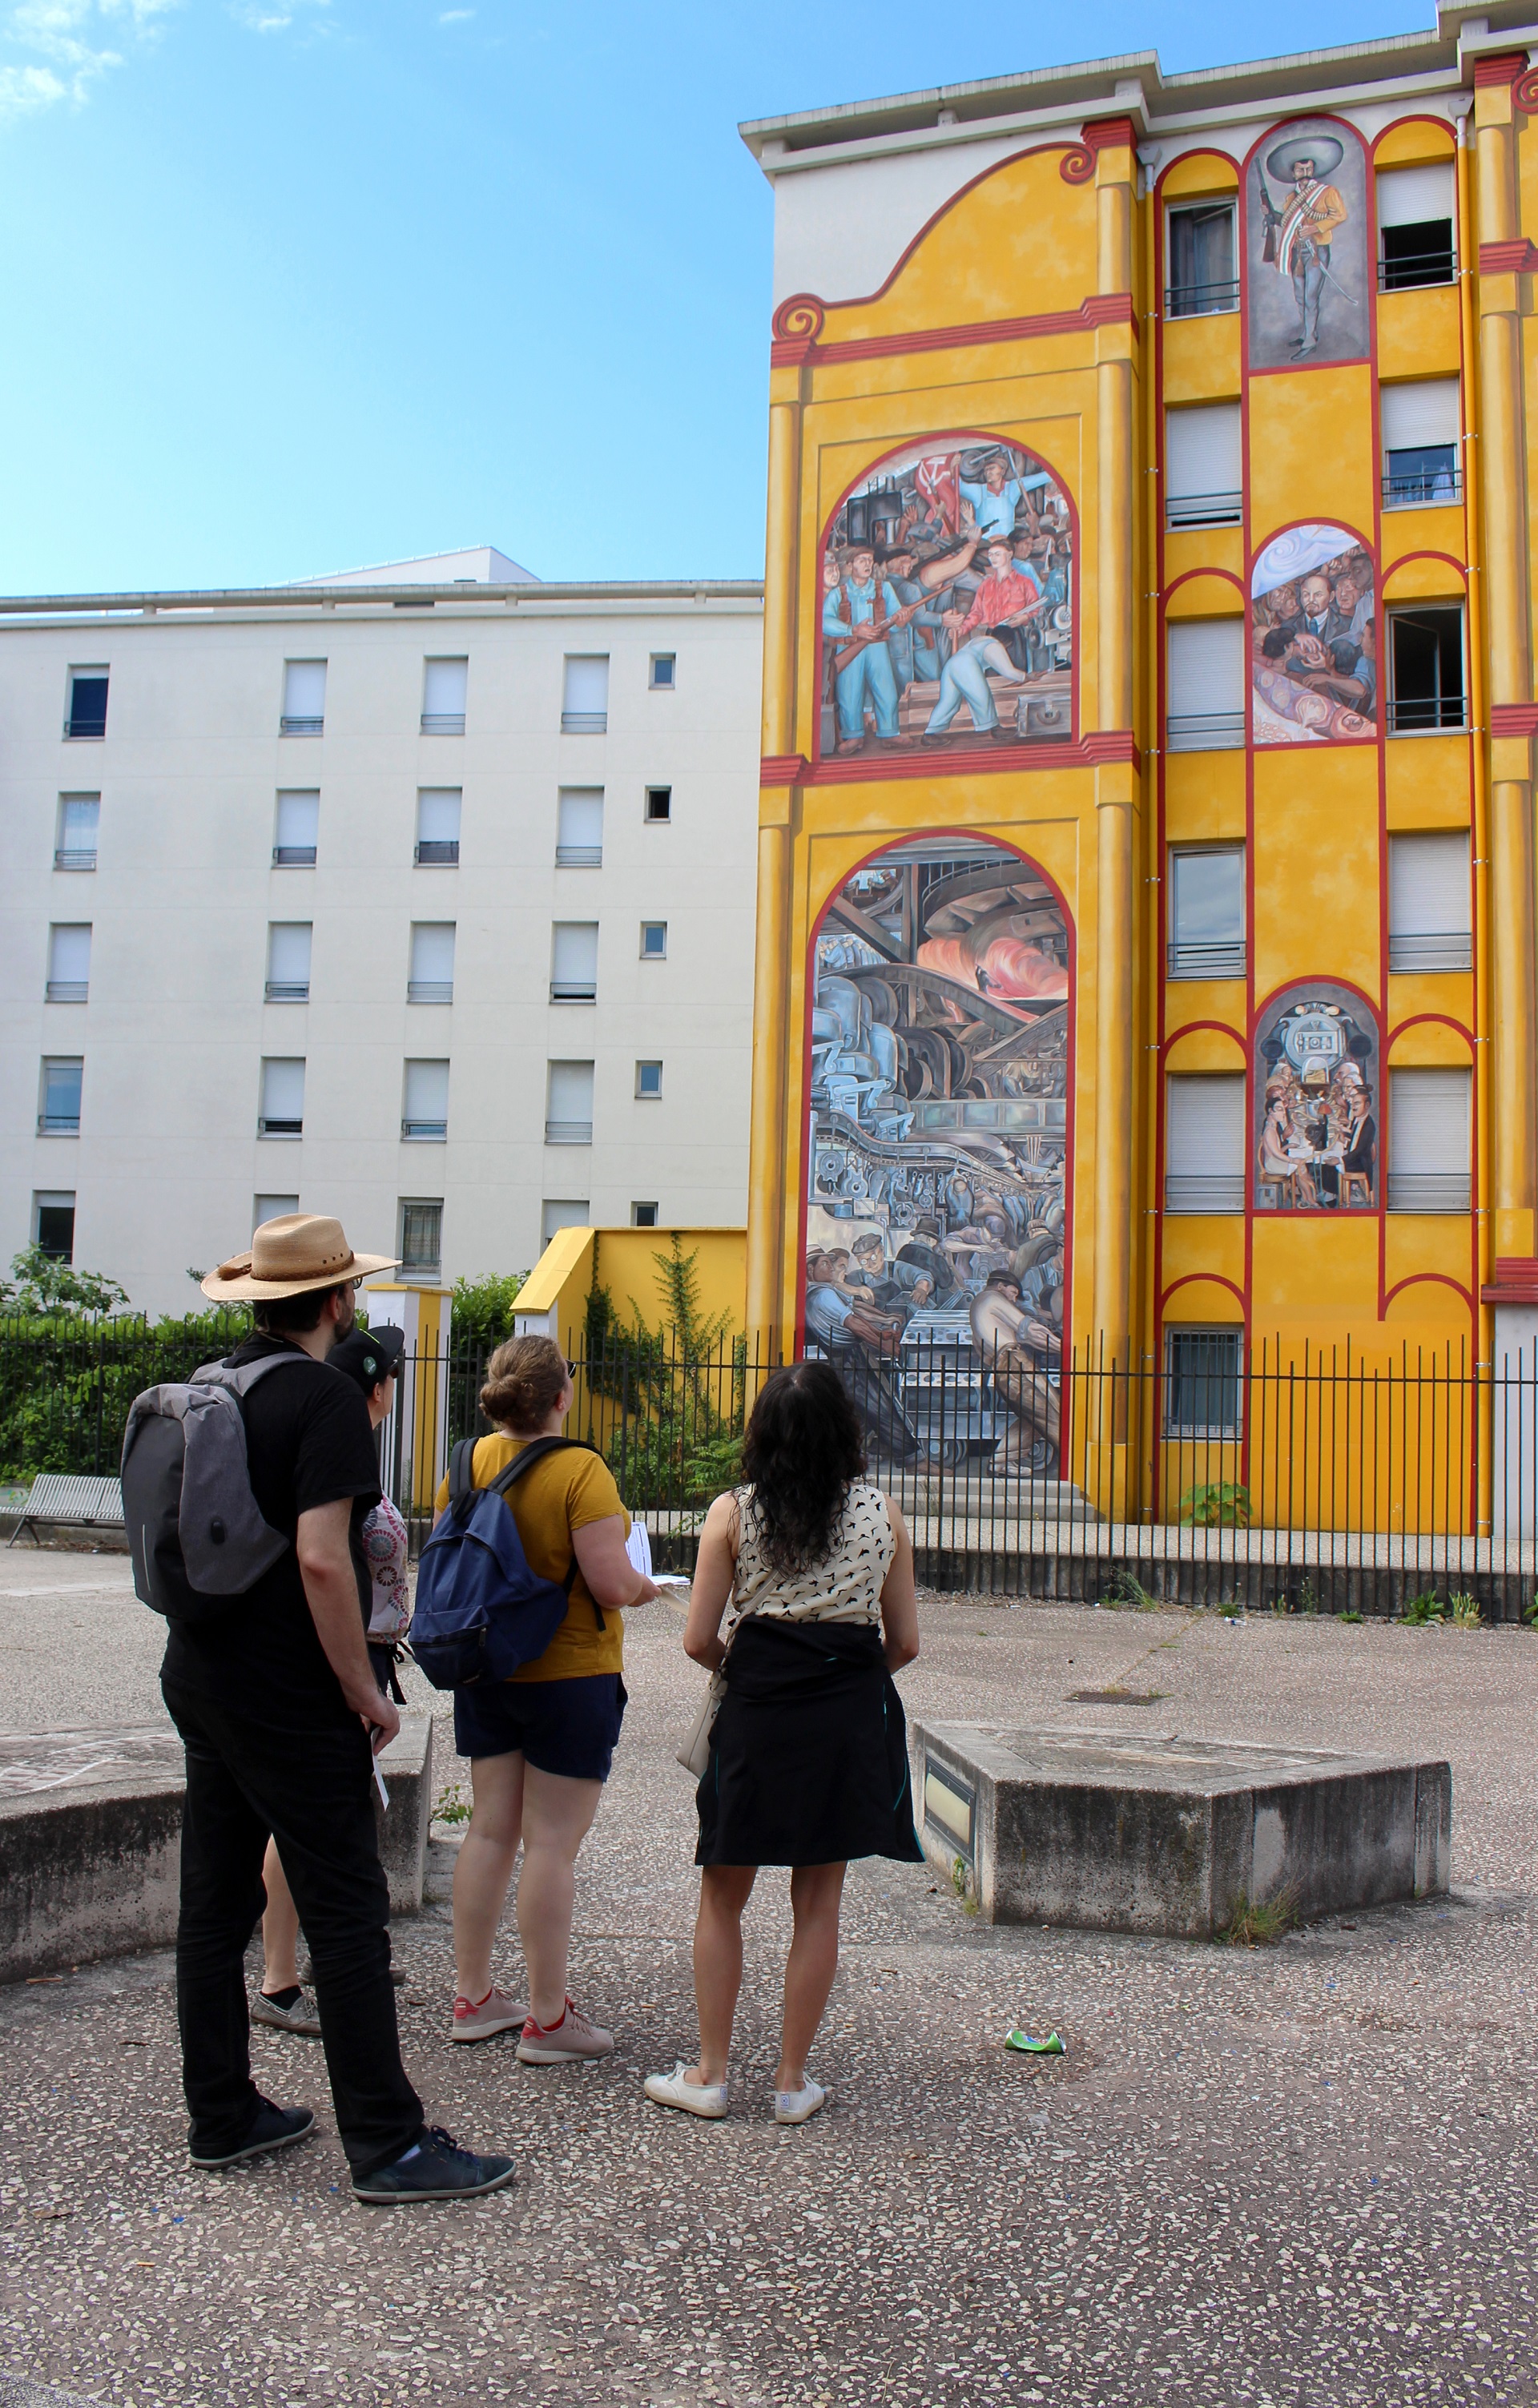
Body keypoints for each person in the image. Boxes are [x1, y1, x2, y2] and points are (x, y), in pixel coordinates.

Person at [171, 1214, 513, 2204]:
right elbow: (325, 1558)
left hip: (201, 1675)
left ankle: (222, 2113)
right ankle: (387, 2144)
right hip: (287, 1693)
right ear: (333, 1303)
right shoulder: (322, 1401)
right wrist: (364, 1691)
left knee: (215, 1903)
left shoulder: (213, 1385)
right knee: (349, 1913)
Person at [643, 1360, 921, 2127]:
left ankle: (709, 2073)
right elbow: (905, 1643)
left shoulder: (733, 1513)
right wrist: (842, 1674)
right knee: (818, 1901)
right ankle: (792, 2082)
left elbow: (700, 1637)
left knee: (723, 1894)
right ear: (847, 1433)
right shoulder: (882, 1514)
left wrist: (756, 1663)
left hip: (759, 1712)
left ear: (763, 1435)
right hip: (845, 1714)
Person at [437, 1334, 660, 2057]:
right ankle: (547, 2019)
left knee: (490, 1831)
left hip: (487, 1667)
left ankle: (473, 1997)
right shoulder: (580, 1469)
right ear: (562, 1395)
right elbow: (607, 1582)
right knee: (553, 1846)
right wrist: (646, 1588)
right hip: (569, 1672)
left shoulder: (466, 1461)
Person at [252, 1321, 409, 2040]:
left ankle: (312, 1957)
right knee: (299, 1820)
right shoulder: (339, 1436)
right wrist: (359, 1682)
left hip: (350, 1650)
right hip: (336, 1655)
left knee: (336, 1811)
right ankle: (278, 1978)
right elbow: (332, 1561)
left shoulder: (328, 1432)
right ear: (378, 1387)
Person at [921, 538, 1046, 746]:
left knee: (1011, 686)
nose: (993, 558)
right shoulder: (985, 585)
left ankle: (1018, 721)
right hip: (992, 635)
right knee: (987, 686)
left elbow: (1036, 608)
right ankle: (994, 727)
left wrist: (1024, 618)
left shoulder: (1024, 583)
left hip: (1014, 636)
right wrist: (961, 630)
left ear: (1010, 555)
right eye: (991, 555)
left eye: (997, 554)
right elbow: (976, 614)